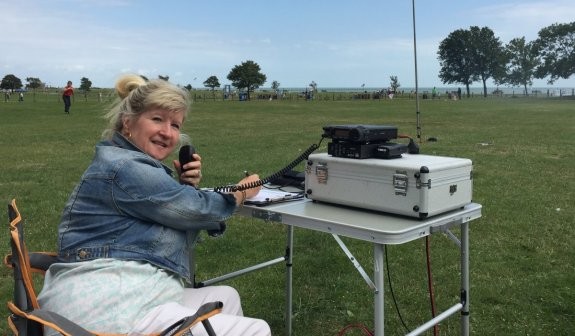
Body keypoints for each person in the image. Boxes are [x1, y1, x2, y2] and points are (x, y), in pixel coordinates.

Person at [37, 74, 270, 336]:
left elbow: (179, 221)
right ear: (128, 123)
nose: (167, 132)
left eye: (175, 124)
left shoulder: (126, 162)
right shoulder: (126, 167)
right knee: (255, 329)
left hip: (124, 290)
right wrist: (240, 193)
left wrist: (186, 189)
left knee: (226, 296)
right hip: (106, 306)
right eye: (157, 119)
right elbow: (199, 211)